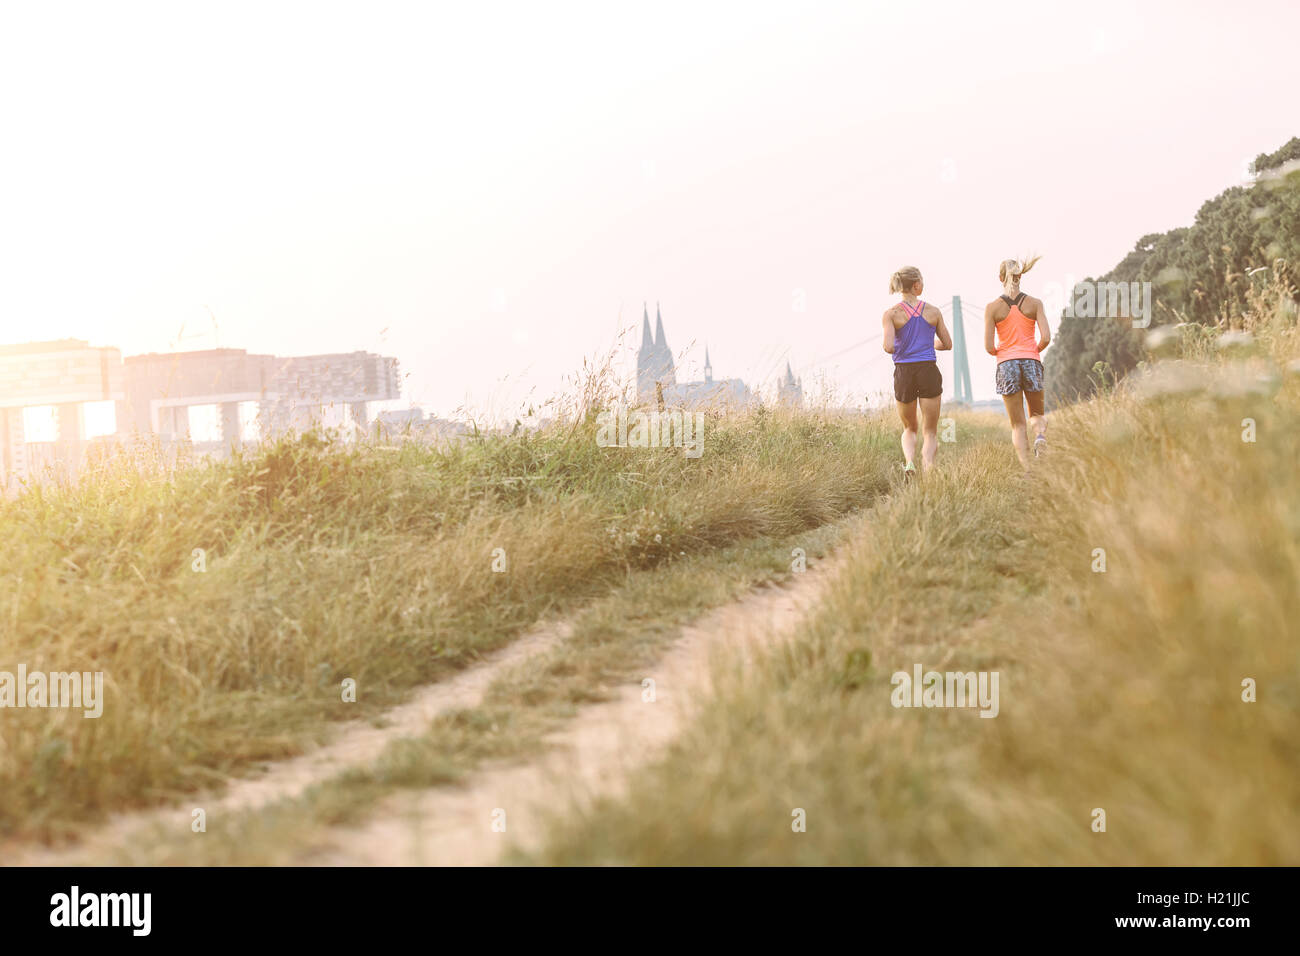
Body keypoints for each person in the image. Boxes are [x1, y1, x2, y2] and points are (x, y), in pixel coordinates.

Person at [882, 266, 952, 476]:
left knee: (909, 428)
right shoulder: (933, 312)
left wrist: (903, 344)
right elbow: (947, 344)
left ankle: (910, 463)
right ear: (916, 285)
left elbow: (888, 347)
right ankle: (929, 468)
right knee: (930, 430)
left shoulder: (891, 314)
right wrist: (928, 344)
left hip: (904, 372)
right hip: (928, 370)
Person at [984, 256, 1050, 471]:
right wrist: (1033, 351)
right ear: (1020, 276)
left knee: (1018, 424)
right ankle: (1040, 437)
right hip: (1031, 360)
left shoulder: (992, 308)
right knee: (1037, 415)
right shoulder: (1035, 304)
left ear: (1000, 277)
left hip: (1006, 364)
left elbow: (988, 346)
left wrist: (1001, 352)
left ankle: (1028, 470)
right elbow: (1046, 338)